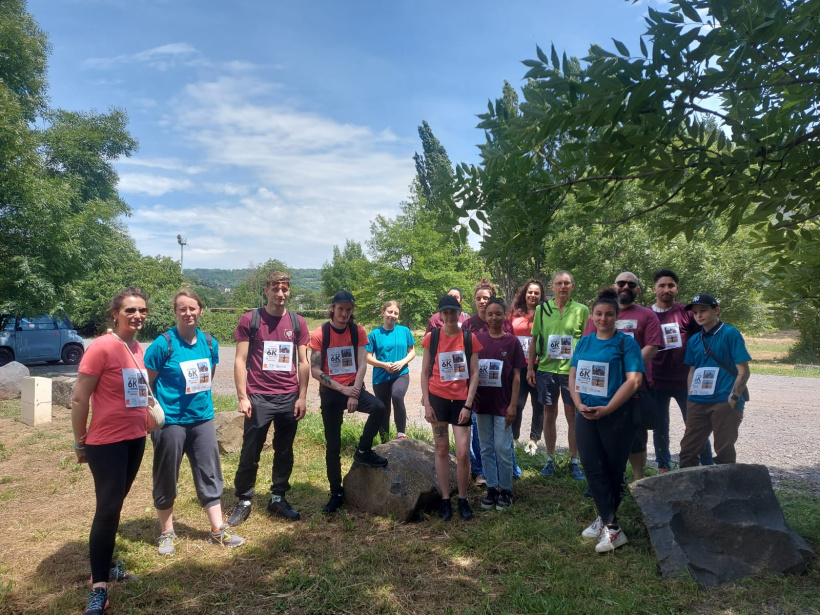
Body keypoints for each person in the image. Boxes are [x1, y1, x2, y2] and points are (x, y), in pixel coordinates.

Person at [144, 289, 244, 555]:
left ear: (201, 310)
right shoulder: (163, 344)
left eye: (193, 308)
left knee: (210, 473)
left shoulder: (209, 343)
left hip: (202, 419)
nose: (188, 313)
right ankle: (167, 532)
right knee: (167, 475)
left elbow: (206, 378)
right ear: (175, 312)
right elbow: (147, 384)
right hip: (171, 422)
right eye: (182, 309)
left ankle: (217, 530)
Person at [71, 288, 150, 615]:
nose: (138, 316)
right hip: (106, 443)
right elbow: (79, 398)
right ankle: (99, 586)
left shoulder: (136, 348)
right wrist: (79, 442)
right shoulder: (101, 347)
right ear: (115, 313)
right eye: (130, 310)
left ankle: (105, 565)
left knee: (115, 505)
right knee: (107, 509)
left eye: (142, 310)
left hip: (135, 439)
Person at [227, 271, 310, 525]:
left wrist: (302, 397)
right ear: (266, 291)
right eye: (275, 289)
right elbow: (240, 361)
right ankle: (244, 500)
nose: (280, 294)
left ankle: (277, 498)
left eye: (285, 289)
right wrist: (243, 397)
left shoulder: (298, 322)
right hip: (259, 396)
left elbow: (303, 362)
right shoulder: (251, 320)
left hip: (288, 396)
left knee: (284, 450)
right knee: (251, 449)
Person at [571, 288, 645, 553]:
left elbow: (634, 380)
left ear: (617, 316)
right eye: (599, 314)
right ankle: (610, 524)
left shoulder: (627, 343)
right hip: (586, 412)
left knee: (613, 470)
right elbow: (573, 376)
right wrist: (579, 404)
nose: (603, 318)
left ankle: (608, 523)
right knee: (591, 465)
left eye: (609, 314)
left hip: (618, 414)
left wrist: (609, 408)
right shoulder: (584, 342)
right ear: (592, 316)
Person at [309, 290, 388, 514]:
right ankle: (336, 492)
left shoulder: (357, 331)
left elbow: (363, 363)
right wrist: (342, 389)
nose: (344, 313)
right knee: (333, 445)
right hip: (332, 392)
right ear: (332, 308)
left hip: (353, 387)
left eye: (349, 309)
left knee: (378, 408)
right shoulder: (320, 333)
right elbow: (315, 370)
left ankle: (363, 450)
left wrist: (354, 393)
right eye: (340, 308)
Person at [583, 271, 662, 480]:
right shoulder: (599, 313)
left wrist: (626, 370)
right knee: (601, 434)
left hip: (636, 386)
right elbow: (588, 346)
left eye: (631, 284)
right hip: (600, 387)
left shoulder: (647, 314)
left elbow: (652, 346)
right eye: (621, 283)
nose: (625, 287)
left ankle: (638, 480)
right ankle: (605, 479)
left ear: (637, 289)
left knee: (635, 436)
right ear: (614, 285)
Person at [421, 294, 483, 520]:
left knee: (463, 453)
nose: (449, 316)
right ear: (440, 314)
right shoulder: (431, 338)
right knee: (441, 449)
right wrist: (427, 402)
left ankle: (463, 498)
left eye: (452, 312)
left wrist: (468, 404)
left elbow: (475, 373)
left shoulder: (469, 338)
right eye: (445, 312)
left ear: (459, 313)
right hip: (437, 399)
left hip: (461, 402)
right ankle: (445, 499)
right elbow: (425, 371)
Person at [528, 271, 589, 480]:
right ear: (552, 287)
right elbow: (534, 340)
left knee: (573, 415)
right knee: (549, 413)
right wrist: (530, 368)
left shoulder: (582, 310)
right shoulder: (542, 310)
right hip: (546, 370)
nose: (563, 286)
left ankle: (574, 461)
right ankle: (550, 459)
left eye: (566, 283)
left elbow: (588, 340)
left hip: (571, 371)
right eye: (559, 283)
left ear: (572, 286)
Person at [650, 269, 712, 470]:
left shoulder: (686, 314)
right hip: (656, 381)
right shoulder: (646, 315)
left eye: (671, 285)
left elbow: (701, 341)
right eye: (662, 285)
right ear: (654, 289)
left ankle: (707, 465)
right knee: (660, 427)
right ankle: (663, 466)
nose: (666, 289)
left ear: (677, 288)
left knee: (695, 425)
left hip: (685, 382)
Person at [679, 294, 751, 466]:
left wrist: (733, 398)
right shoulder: (694, 340)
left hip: (724, 401)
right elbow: (692, 370)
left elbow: (744, 371)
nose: (699, 315)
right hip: (697, 401)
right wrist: (690, 398)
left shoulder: (730, 334)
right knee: (688, 450)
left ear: (716, 310)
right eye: (695, 312)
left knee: (724, 450)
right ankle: (688, 490)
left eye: (703, 310)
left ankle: (724, 491)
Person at [475, 298, 526, 510]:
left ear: (504, 315)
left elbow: (516, 376)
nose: (494, 317)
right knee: (486, 447)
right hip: (482, 404)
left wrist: (513, 404)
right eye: (490, 314)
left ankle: (507, 489)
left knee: (502, 448)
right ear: (485, 317)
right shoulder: (478, 340)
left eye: (498, 313)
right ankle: (492, 487)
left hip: (504, 404)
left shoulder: (512, 342)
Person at [463, 278, 515, 483]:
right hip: (480, 391)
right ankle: (483, 474)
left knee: (503, 440)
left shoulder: (506, 326)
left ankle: (508, 476)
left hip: (502, 391)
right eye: (479, 298)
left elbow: (512, 358)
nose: (482, 302)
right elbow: (464, 357)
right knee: (481, 437)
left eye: (486, 298)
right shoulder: (469, 325)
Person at [366, 301, 416, 441]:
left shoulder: (404, 331)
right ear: (383, 312)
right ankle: (385, 440)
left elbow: (412, 351)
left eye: (396, 313)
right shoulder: (374, 334)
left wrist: (402, 362)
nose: (392, 315)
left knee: (397, 396)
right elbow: (367, 357)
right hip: (380, 377)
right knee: (383, 408)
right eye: (390, 312)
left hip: (401, 374)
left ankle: (401, 434)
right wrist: (383, 365)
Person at [509, 280, 546, 456]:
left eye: (536, 293)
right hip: (518, 366)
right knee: (517, 404)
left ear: (541, 296)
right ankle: (514, 439)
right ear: (525, 293)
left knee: (539, 405)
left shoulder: (546, 313)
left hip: (540, 366)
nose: (533, 295)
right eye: (530, 292)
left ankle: (533, 441)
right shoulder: (515, 313)